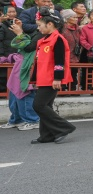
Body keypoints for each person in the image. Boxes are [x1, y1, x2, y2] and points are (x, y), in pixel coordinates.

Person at [30, 10, 77, 144]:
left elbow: (59, 60)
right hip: (43, 78)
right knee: (46, 106)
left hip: (51, 78)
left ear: (49, 24)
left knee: (38, 105)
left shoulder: (58, 39)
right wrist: (35, 80)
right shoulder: (43, 40)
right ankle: (46, 136)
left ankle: (64, 128)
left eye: (40, 25)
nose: (38, 28)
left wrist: (57, 78)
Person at [2, 17, 40, 131]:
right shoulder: (36, 34)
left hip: (27, 71)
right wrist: (20, 31)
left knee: (25, 97)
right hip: (18, 71)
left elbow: (28, 46)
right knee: (14, 98)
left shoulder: (43, 37)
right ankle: (16, 119)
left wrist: (20, 33)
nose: (39, 27)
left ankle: (32, 120)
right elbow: (22, 46)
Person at [59, 9, 82, 85]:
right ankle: (63, 89)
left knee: (74, 73)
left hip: (75, 55)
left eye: (76, 17)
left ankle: (72, 88)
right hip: (64, 55)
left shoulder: (78, 29)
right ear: (67, 18)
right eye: (74, 17)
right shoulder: (61, 29)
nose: (76, 19)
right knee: (63, 72)